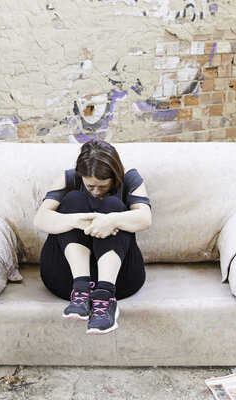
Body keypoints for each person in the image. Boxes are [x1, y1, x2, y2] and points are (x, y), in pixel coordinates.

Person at [33, 139, 152, 335]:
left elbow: (145, 218)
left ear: (115, 177)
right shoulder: (69, 178)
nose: (96, 192)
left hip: (120, 280)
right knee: (73, 200)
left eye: (103, 186)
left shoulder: (130, 178)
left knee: (112, 206)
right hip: (67, 282)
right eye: (90, 186)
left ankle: (105, 298)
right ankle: (81, 290)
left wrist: (112, 220)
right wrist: (75, 221)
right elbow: (40, 220)